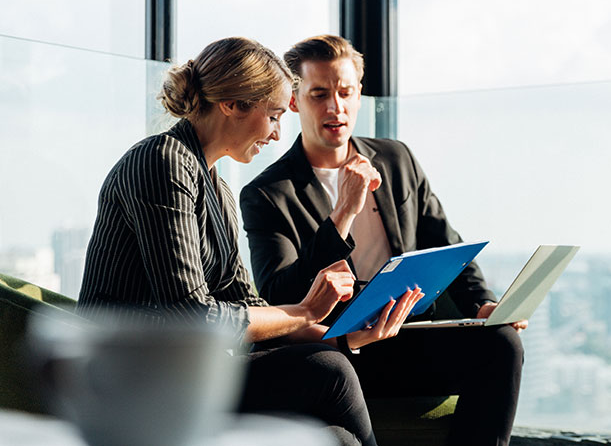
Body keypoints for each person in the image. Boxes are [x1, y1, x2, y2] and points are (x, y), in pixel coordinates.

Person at [76, 37, 424, 446]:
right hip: (134, 378)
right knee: (328, 371)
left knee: (335, 437)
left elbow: (248, 304)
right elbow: (194, 317)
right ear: (234, 104)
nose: (277, 135)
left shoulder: (216, 190)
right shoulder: (162, 161)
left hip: (189, 370)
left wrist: (342, 334)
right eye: (274, 115)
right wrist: (307, 309)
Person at [240, 34, 526, 446]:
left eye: (345, 92)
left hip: (410, 337)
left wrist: (483, 304)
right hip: (341, 350)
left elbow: (446, 243)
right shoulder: (269, 193)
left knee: (502, 342)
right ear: (294, 101)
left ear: (359, 96)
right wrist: (344, 213)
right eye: (319, 94)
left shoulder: (396, 159)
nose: (335, 107)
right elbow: (279, 293)